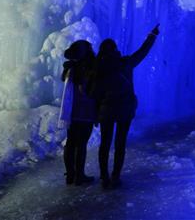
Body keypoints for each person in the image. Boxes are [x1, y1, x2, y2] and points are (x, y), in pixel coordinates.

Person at [90, 24, 160, 189]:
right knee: (120, 144)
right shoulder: (125, 63)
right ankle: (116, 176)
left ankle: (104, 177)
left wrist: (95, 114)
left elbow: (94, 93)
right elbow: (143, 52)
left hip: (106, 111)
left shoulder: (98, 68)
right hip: (124, 110)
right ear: (114, 49)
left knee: (105, 144)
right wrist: (152, 35)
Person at [60, 39, 97, 186]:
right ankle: (79, 175)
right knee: (81, 144)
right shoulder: (89, 67)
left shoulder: (71, 67)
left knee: (71, 142)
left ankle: (70, 174)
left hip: (72, 111)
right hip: (86, 110)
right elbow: (91, 90)